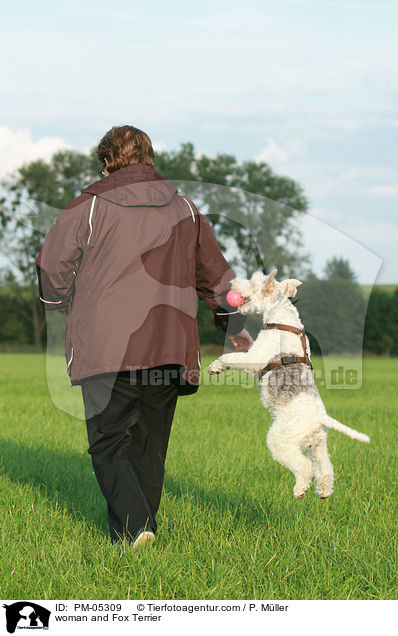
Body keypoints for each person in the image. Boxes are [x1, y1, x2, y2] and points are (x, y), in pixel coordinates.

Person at [36, 125, 253, 550]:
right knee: (148, 449)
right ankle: (132, 542)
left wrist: (58, 306)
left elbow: (51, 269)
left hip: (107, 348)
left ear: (105, 160)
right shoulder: (186, 209)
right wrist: (235, 325)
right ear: (150, 158)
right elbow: (218, 277)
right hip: (169, 348)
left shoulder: (89, 207)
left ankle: (136, 527)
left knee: (107, 444)